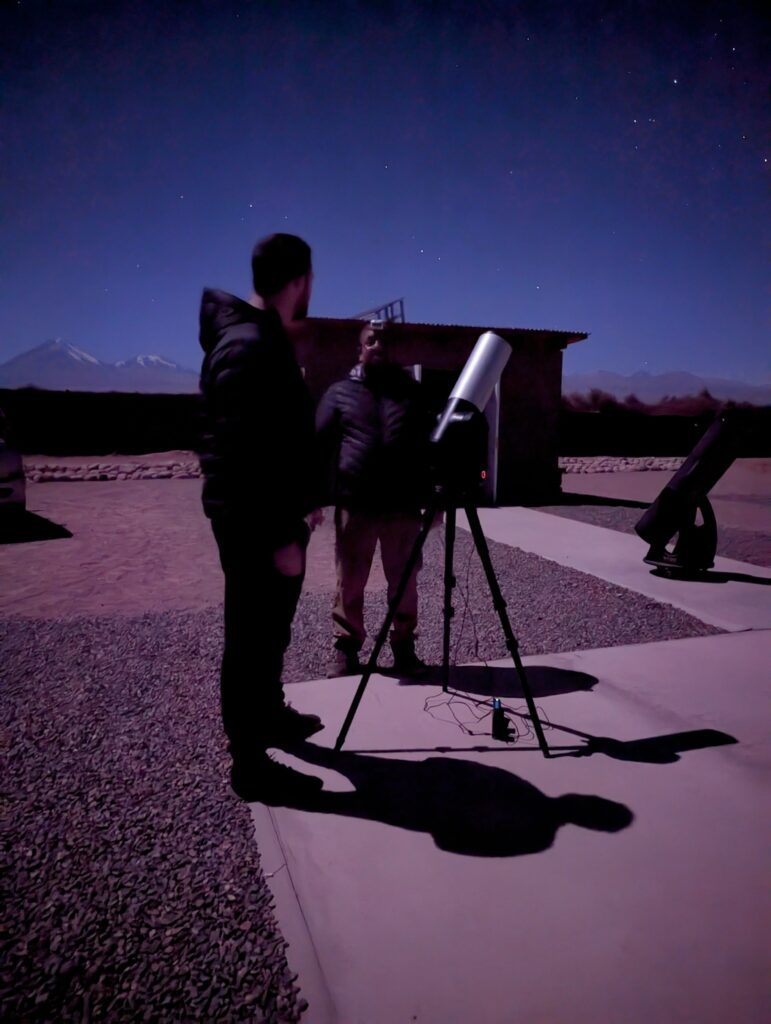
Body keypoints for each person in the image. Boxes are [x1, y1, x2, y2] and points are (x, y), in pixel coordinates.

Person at [198, 233, 324, 802]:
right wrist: (278, 535)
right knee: (249, 635)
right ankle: (249, 764)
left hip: (272, 516)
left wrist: (305, 498)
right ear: (300, 280)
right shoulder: (250, 345)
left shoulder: (261, 339)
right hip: (256, 525)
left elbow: (280, 438)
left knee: (269, 629)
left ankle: (269, 714)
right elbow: (241, 452)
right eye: (311, 280)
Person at [316, 319, 435, 678]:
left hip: (403, 507)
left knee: (405, 580)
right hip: (357, 506)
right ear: (360, 349)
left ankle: (403, 647)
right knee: (350, 580)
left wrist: (435, 501)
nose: (378, 347)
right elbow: (317, 447)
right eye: (371, 342)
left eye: (385, 342)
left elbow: (428, 449)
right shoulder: (339, 393)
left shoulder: (412, 395)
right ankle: (348, 649)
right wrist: (312, 499)